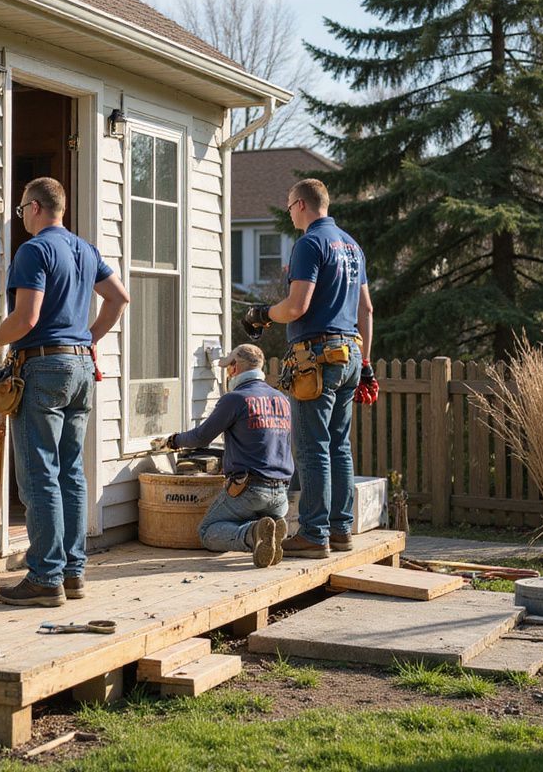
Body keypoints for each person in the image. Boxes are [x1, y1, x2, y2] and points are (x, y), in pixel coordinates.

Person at [0, 177, 129, 607]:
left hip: (44, 367)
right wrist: (88, 340)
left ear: (34, 208)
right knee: (70, 471)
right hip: (80, 368)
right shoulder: (85, 249)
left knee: (39, 476)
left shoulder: (34, 250)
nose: (21, 218)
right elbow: (119, 298)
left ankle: (45, 578)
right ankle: (72, 572)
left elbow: (26, 318)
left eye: (20, 211)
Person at [242, 178, 375, 559]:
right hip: (350, 353)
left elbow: (297, 307)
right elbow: (366, 310)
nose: (289, 214)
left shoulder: (310, 244)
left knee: (313, 447)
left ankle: (314, 535)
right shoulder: (352, 246)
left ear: (301, 205)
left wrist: (263, 314)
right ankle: (340, 530)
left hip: (317, 356)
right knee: (339, 447)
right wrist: (365, 363)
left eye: (288, 207)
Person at [151, 343, 293, 568]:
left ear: (234, 368)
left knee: (208, 531)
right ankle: (273, 526)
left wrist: (172, 441)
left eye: (228, 367)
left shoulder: (236, 399)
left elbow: (201, 437)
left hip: (250, 489)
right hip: (281, 493)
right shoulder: (282, 400)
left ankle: (253, 533)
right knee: (257, 515)